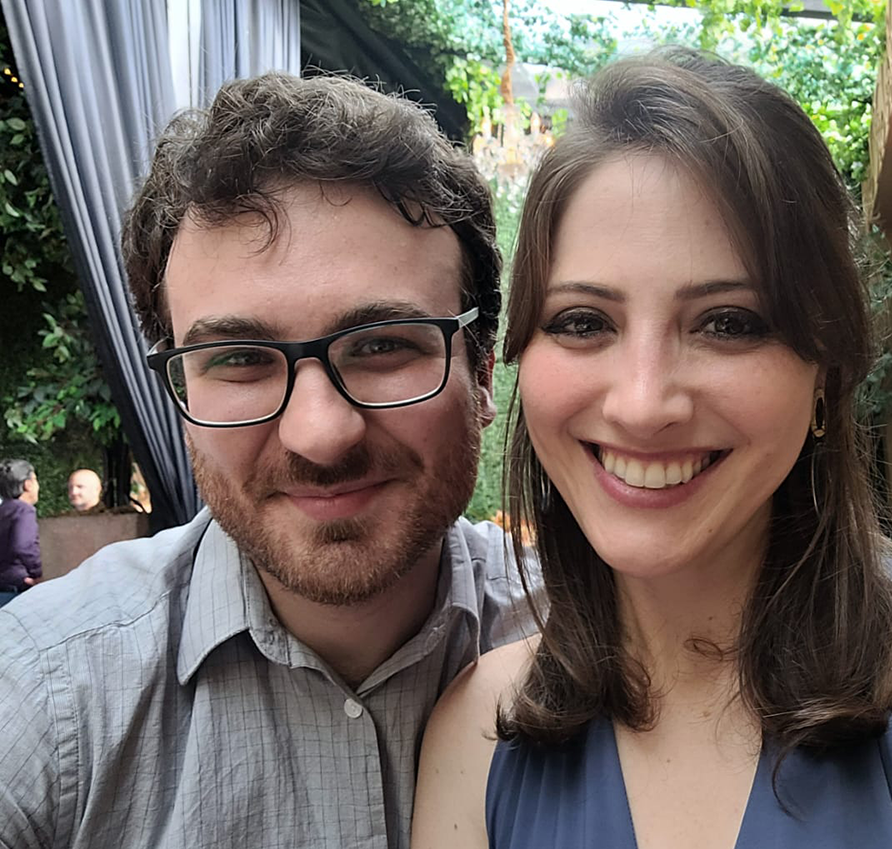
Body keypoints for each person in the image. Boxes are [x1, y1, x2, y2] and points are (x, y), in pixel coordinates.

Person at [412, 48, 892, 849]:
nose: (645, 403)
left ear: (824, 375)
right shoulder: (476, 740)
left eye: (729, 323)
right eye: (584, 322)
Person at [0, 72, 534, 849]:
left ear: (481, 371)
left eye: (383, 344)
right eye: (241, 358)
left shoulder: (605, 649)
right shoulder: (46, 694)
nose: (320, 435)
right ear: (181, 389)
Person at [0, 458, 41, 606]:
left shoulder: (2, 510)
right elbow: (23, 546)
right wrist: (36, 573)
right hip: (16, 588)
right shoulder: (24, 510)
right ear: (28, 484)